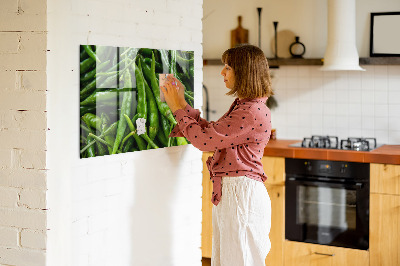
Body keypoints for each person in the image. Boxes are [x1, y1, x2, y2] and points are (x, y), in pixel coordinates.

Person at [161, 44, 273, 266]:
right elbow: (212, 133)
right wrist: (182, 104)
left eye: (228, 67)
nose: (222, 72)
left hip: (241, 195)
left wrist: (176, 108)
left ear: (244, 72)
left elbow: (204, 141)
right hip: (236, 193)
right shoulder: (246, 106)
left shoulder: (250, 111)